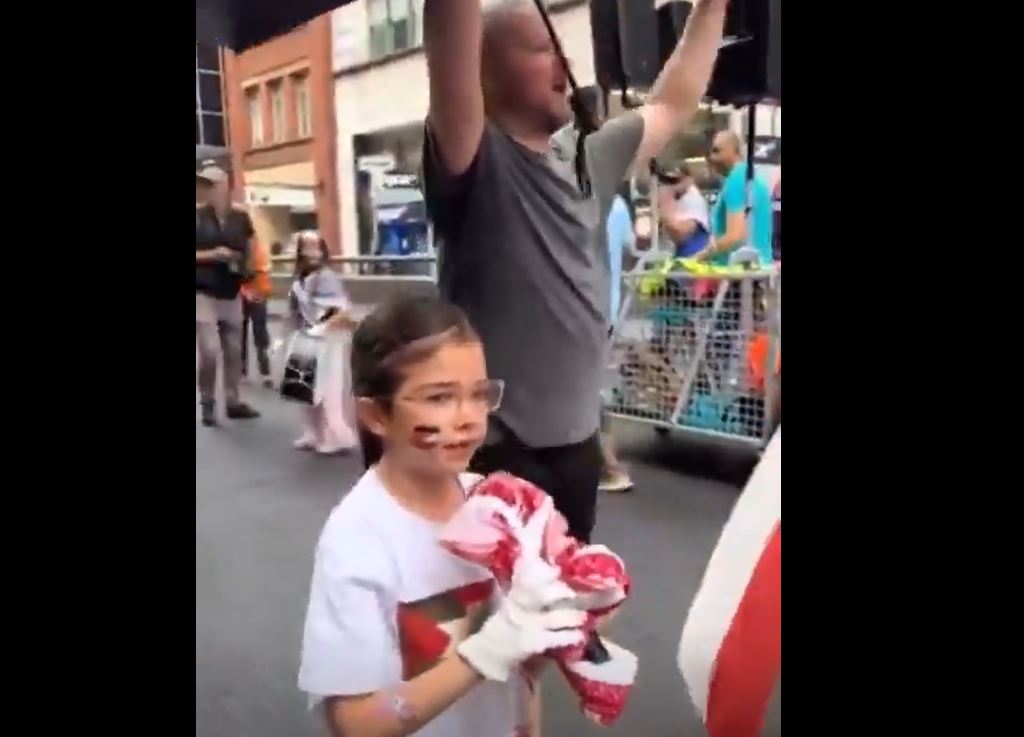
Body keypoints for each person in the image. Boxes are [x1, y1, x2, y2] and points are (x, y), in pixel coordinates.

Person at [421, 0, 728, 542]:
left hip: (576, 447)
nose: (564, 64)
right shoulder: (475, 157)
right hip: (496, 453)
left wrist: (710, 8)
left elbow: (674, 101)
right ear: (484, 70)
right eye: (542, 49)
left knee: (568, 611)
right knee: (498, 623)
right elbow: (449, 31)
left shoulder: (589, 157)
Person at [298, 294, 586, 737]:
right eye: (439, 398)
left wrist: (571, 617)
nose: (468, 417)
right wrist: (484, 652)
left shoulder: (498, 508)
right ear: (376, 413)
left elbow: (522, 668)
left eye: (479, 394)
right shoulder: (357, 539)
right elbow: (354, 724)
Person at [195, 166, 260, 427]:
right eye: (205, 185)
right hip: (202, 292)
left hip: (232, 290)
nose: (209, 189)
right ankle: (207, 402)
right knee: (210, 351)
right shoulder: (198, 217)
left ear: (225, 186)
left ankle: (233, 401)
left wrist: (249, 270)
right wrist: (212, 254)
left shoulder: (240, 218)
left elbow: (250, 246)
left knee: (235, 351)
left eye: (214, 184)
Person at [288, 231, 359, 455]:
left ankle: (334, 436)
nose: (312, 252)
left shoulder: (326, 276)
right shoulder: (301, 277)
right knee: (303, 388)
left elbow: (341, 310)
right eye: (307, 247)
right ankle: (312, 432)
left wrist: (319, 328)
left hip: (326, 338)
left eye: (316, 247)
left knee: (327, 390)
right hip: (305, 334)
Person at [599, 187, 635, 493]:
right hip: (608, 308)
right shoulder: (619, 204)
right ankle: (607, 466)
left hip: (582, 310)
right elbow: (631, 247)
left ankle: (610, 467)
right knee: (599, 389)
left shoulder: (577, 198)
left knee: (591, 393)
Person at [698, 131, 774, 266]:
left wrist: (701, 256)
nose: (711, 157)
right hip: (760, 268)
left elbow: (735, 235)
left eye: (717, 151)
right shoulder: (753, 179)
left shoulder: (735, 181)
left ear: (734, 151)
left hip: (739, 273)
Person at [657, 164, 711, 258]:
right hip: (683, 255)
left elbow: (681, 232)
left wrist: (666, 200)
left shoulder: (692, 198)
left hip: (695, 256)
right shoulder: (680, 198)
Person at [241, 236, 273, 388]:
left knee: (259, 334)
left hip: (257, 294)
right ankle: (243, 372)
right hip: (242, 295)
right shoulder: (238, 245)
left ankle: (264, 373)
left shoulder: (259, 246)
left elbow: (263, 269)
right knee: (241, 335)